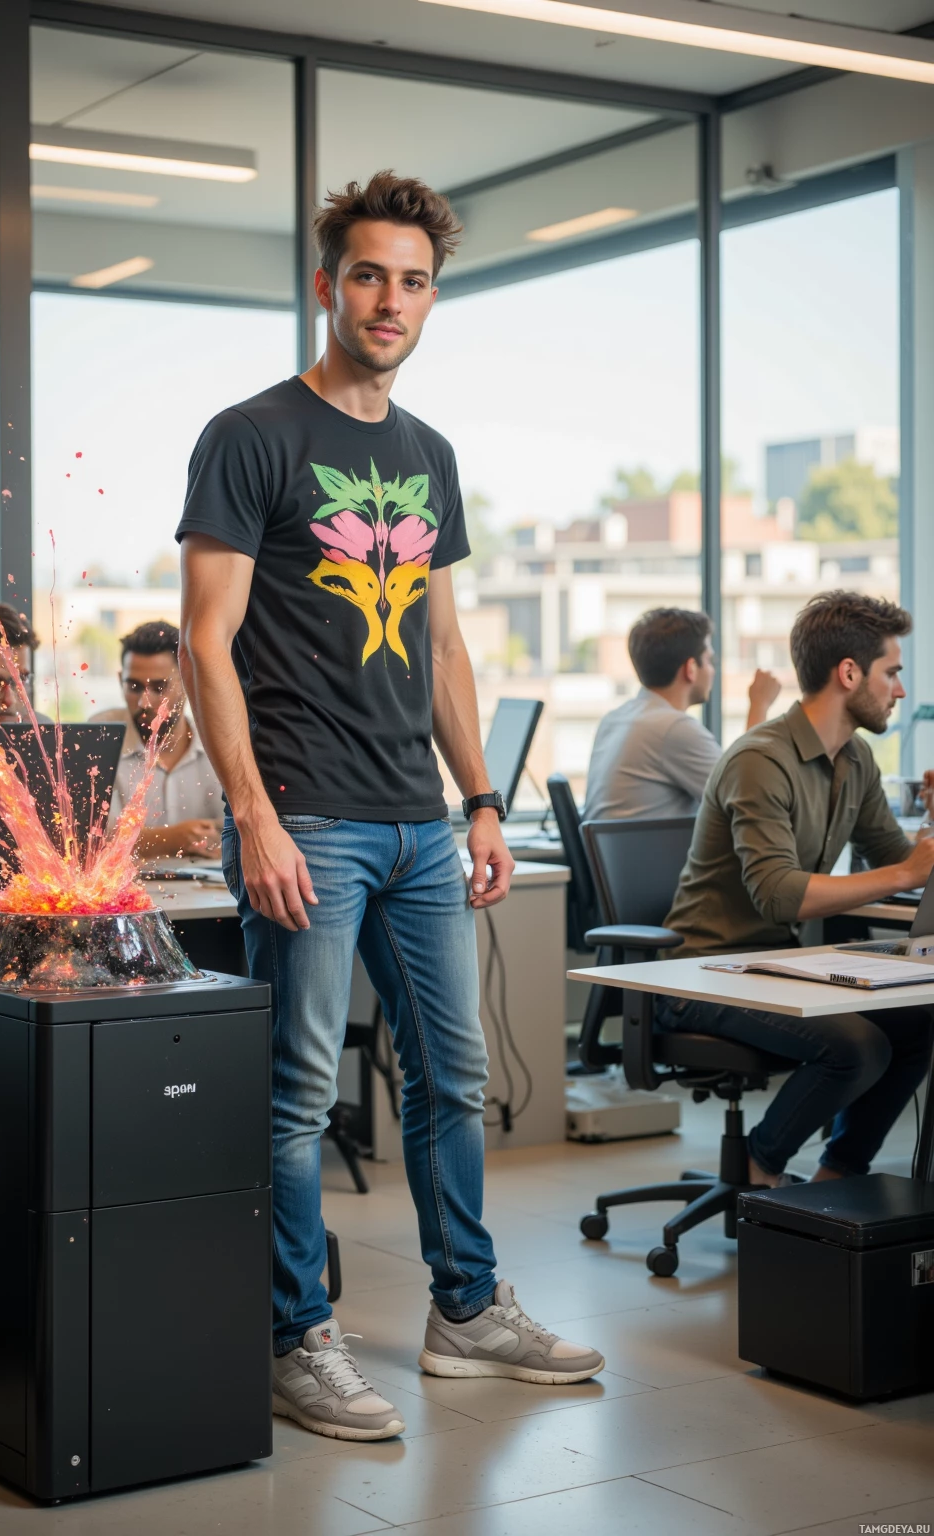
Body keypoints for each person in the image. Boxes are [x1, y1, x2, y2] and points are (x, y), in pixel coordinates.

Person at [176, 170, 604, 1443]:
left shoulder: (428, 456)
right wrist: (251, 816)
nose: (390, 299)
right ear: (327, 284)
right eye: (368, 274)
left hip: (421, 821)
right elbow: (208, 643)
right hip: (308, 815)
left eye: (413, 281)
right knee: (300, 1091)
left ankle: (465, 1313)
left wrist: (481, 800)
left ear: (431, 299)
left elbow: (447, 649)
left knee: (452, 1078)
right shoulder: (251, 433)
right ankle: (293, 1337)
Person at [661, 590, 934, 1188]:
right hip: (700, 975)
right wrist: (908, 873)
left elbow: (895, 857)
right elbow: (779, 895)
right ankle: (759, 1167)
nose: (900, 691)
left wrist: (930, 830)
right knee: (856, 1045)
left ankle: (837, 1178)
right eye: (892, 673)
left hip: (774, 965)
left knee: (916, 1023)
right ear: (848, 673)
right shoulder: (760, 760)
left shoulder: (854, 759)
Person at [583, 607, 780, 820]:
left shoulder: (614, 719)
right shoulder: (672, 728)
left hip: (629, 853)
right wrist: (759, 705)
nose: (713, 671)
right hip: (657, 854)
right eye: (709, 660)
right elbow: (749, 800)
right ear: (691, 669)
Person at [93, 620, 223, 860]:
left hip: (214, 895)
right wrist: (176, 839)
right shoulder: (99, 738)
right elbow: (97, 840)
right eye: (133, 686)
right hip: (127, 894)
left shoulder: (218, 743)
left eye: (159, 687)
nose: (144, 703)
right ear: (120, 679)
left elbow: (239, 830)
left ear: (188, 682)